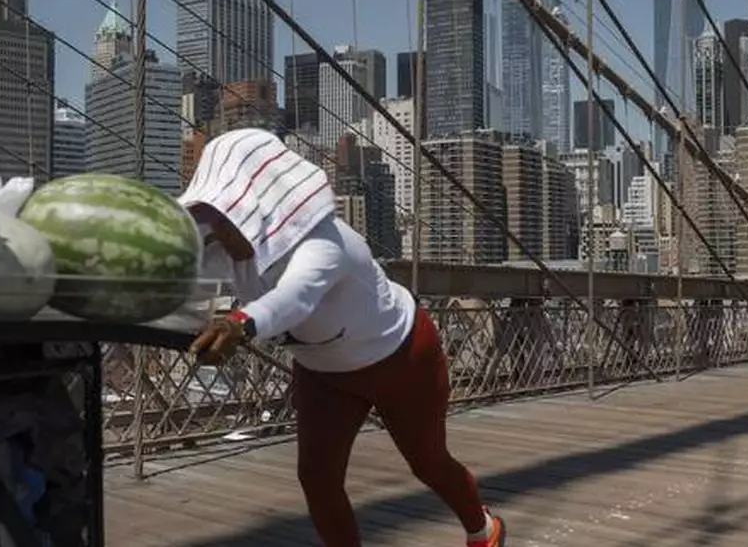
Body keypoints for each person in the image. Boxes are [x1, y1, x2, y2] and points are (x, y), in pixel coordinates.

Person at [179, 128, 506, 547]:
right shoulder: (224, 251)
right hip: (324, 372)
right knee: (317, 478)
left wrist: (239, 324)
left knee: (428, 462)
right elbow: (181, 282)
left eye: (225, 214)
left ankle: (482, 529)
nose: (217, 227)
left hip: (402, 359)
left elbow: (293, 298)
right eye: (212, 213)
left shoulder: (327, 243)